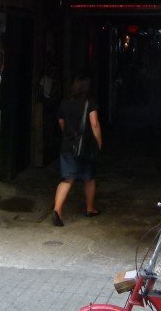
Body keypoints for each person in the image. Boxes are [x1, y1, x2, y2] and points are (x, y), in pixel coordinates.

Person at [53, 75, 102, 227]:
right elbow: (94, 124)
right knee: (89, 177)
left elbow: (61, 122)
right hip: (86, 146)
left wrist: (69, 136)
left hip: (68, 145)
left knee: (67, 179)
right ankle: (90, 208)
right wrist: (98, 143)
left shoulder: (64, 103)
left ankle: (57, 210)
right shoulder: (90, 103)